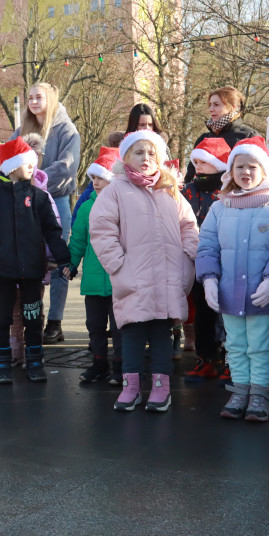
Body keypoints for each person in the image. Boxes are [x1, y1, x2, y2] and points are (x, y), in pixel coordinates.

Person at [91, 130, 200, 413]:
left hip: (168, 276)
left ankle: (161, 387)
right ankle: (131, 386)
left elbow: (188, 225)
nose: (146, 158)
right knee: (132, 332)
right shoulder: (115, 190)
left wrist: (187, 256)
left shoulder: (169, 189)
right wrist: (118, 265)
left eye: (152, 153)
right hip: (133, 277)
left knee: (163, 332)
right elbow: (102, 230)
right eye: (138, 152)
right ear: (126, 157)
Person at [197, 137, 269, 422]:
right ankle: (240, 390)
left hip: (260, 295)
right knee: (234, 345)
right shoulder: (220, 208)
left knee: (258, 345)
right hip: (229, 293)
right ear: (231, 171)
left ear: (264, 170)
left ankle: (259, 393)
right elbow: (207, 246)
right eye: (240, 166)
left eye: (253, 166)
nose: (246, 172)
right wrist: (209, 279)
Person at [0, 138, 70, 384]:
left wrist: (64, 260)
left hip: (32, 271)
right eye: (26, 162)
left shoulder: (39, 198)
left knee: (33, 318)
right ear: (10, 166)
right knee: (3, 318)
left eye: (33, 162)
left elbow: (53, 232)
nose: (32, 166)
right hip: (3, 271)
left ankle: (35, 361)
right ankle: (2, 362)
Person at [10, 83, 79, 345]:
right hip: (24, 201)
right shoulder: (22, 130)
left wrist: (37, 180)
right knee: (27, 258)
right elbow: (10, 159)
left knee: (58, 260)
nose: (33, 102)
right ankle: (27, 320)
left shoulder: (66, 130)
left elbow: (67, 167)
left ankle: (55, 322)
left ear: (50, 99)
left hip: (56, 200)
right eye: (29, 97)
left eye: (39, 97)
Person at [66, 146, 120, 384]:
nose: (96, 182)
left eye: (101, 178)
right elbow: (78, 240)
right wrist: (71, 263)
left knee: (119, 328)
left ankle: (121, 367)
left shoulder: (123, 205)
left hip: (119, 279)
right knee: (95, 326)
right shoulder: (87, 207)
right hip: (93, 278)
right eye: (93, 178)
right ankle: (99, 364)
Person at [181, 137, 230, 383]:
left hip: (228, 259)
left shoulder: (230, 190)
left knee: (228, 311)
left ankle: (230, 358)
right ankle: (205, 357)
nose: (197, 166)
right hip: (199, 258)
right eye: (196, 162)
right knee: (203, 310)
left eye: (203, 161)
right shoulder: (188, 190)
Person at [184, 87, 259, 183]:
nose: (211, 109)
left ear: (232, 107)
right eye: (210, 105)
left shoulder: (248, 137)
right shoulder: (203, 138)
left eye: (216, 105)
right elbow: (190, 175)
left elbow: (257, 172)